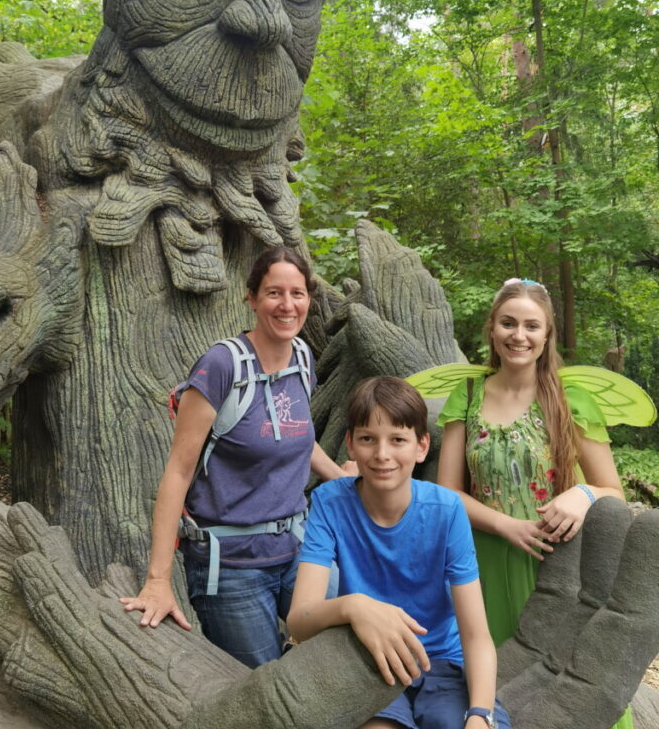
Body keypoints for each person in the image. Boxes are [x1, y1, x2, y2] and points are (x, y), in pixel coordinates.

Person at [119, 245, 352, 668]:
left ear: (309, 299)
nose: (287, 305)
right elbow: (178, 471)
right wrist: (157, 580)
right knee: (262, 687)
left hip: (300, 550)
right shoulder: (221, 366)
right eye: (274, 293)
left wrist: (342, 479)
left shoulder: (302, 358)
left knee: (332, 660)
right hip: (231, 566)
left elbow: (295, 437)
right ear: (252, 298)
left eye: (297, 294)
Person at [436, 277, 631, 729]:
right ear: (492, 328)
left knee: (569, 681)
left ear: (547, 336)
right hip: (485, 562)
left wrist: (582, 494)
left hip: (560, 561)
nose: (518, 335)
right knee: (502, 686)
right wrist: (505, 525)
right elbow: (447, 493)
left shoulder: (569, 399)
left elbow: (613, 491)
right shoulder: (465, 397)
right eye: (508, 323)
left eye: (530, 326)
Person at [287, 376, 510, 729]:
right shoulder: (330, 504)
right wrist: (354, 605)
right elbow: (300, 620)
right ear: (350, 444)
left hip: (443, 662)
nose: (382, 455)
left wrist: (480, 714)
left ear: (421, 446)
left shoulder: (447, 510)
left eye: (398, 440)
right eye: (367, 439)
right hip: (372, 661)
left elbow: (476, 635)